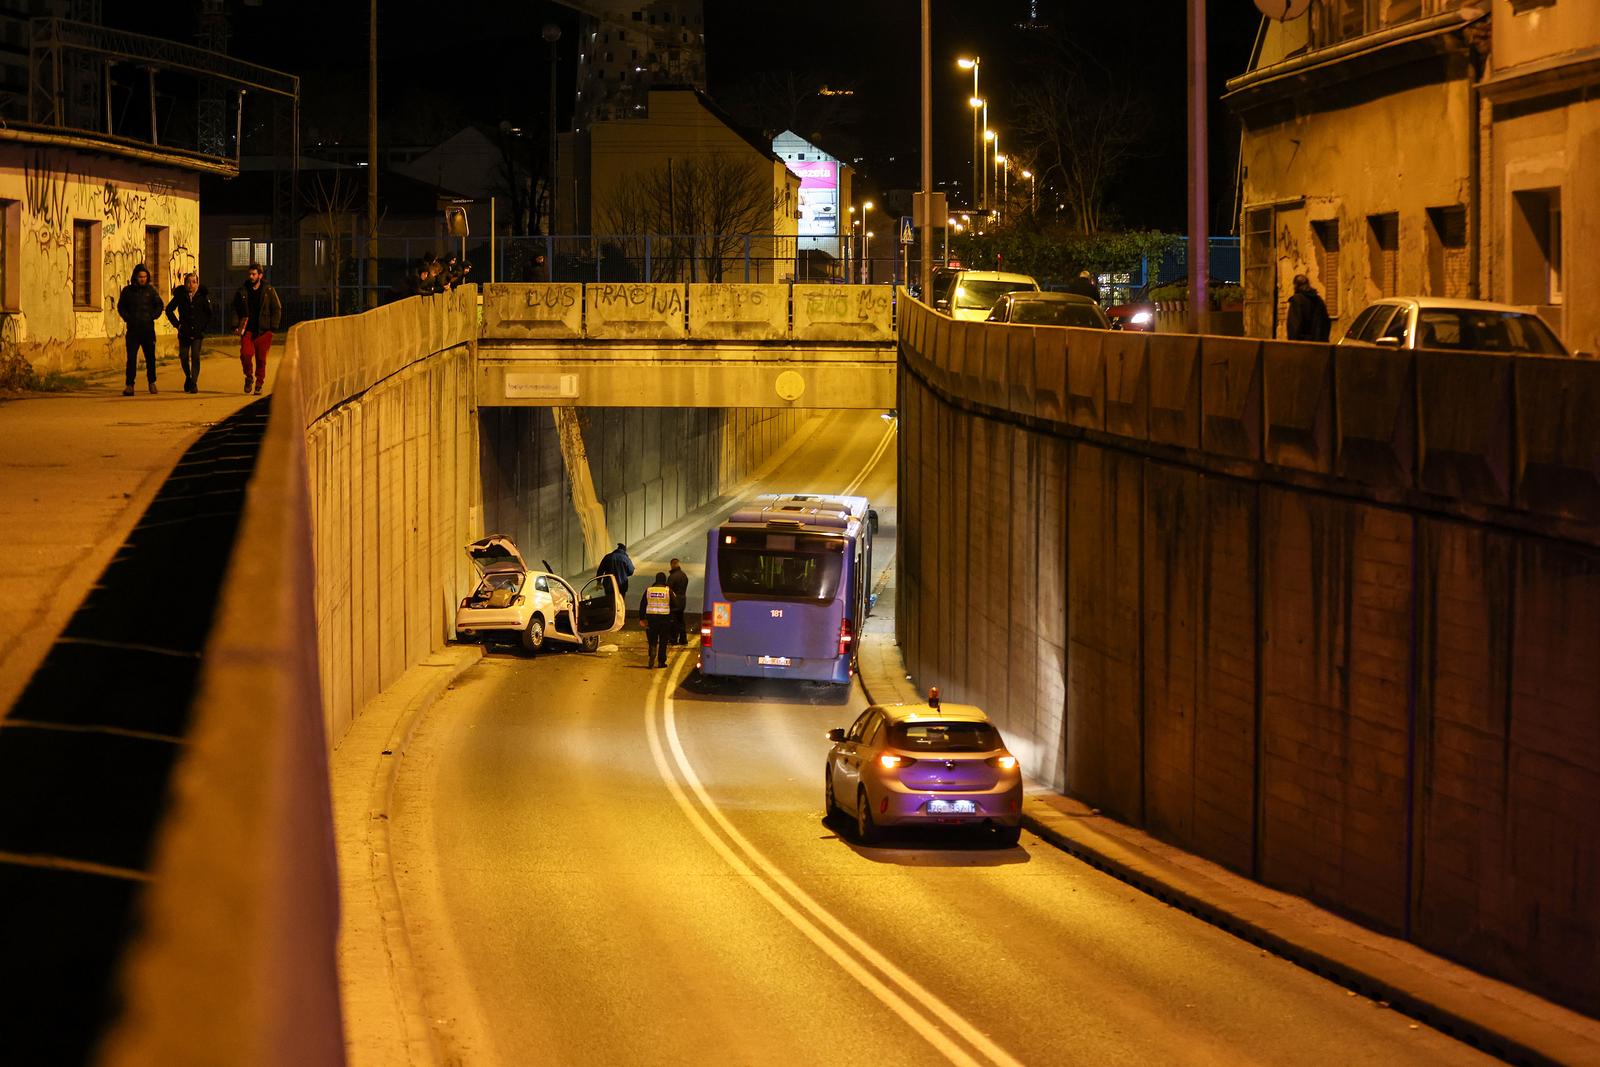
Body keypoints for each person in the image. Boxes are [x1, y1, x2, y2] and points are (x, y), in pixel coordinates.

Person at [231, 262, 282, 395]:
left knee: (261, 359)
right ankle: (249, 376)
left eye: (254, 274)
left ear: (260, 275)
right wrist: (235, 325)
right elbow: (235, 309)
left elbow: (277, 308)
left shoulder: (269, 291)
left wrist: (273, 327)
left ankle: (259, 382)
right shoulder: (242, 290)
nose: (251, 276)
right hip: (248, 330)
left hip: (264, 331)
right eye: (250, 274)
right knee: (245, 354)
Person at [116, 263, 165, 396]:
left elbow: (160, 305)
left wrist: (152, 316)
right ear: (135, 277)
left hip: (148, 330)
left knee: (150, 359)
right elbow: (121, 307)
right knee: (131, 359)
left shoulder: (151, 291)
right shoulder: (127, 291)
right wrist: (128, 318)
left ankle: (152, 383)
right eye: (140, 276)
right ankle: (130, 385)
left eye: (144, 276)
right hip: (133, 330)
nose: (142, 279)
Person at [165, 272, 213, 393]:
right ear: (185, 283)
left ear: (197, 283)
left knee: (195, 356)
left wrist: (203, 328)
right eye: (188, 282)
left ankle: (194, 382)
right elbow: (169, 310)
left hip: (197, 333)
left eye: (193, 282)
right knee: (184, 357)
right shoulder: (180, 295)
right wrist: (177, 325)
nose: (191, 285)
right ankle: (188, 376)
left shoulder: (202, 296)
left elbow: (209, 314)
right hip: (184, 332)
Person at [639, 571, 673, 669]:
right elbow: (676, 604)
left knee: (652, 639)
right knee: (663, 641)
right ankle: (661, 662)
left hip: (651, 619)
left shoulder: (649, 590)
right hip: (664, 619)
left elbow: (643, 604)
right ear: (664, 580)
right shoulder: (668, 590)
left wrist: (642, 618)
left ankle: (652, 650)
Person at [1286, 273, 1332, 342]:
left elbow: (1294, 328)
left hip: (1303, 347)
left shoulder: (1297, 300)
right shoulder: (1319, 300)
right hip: (1320, 347)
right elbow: (1327, 324)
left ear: (1296, 285)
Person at [666, 558, 690, 645]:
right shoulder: (684, 575)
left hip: (674, 601)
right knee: (681, 620)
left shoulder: (672, 577)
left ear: (672, 565)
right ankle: (683, 639)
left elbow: (668, 589)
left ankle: (673, 639)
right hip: (683, 600)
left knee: (673, 621)